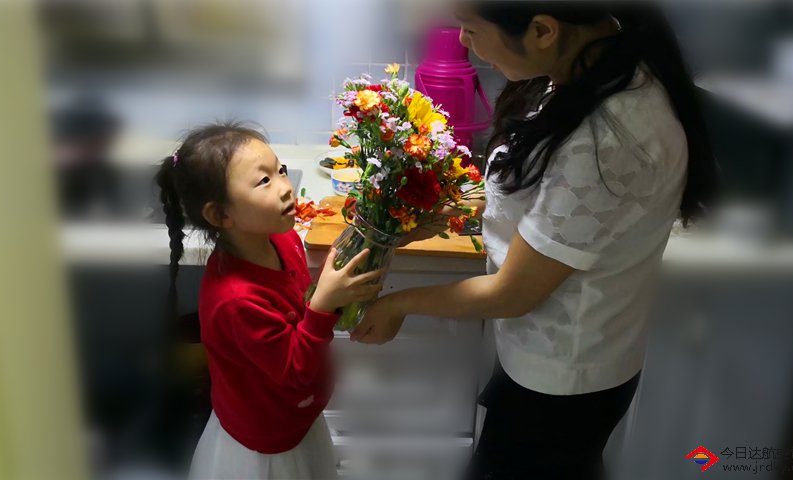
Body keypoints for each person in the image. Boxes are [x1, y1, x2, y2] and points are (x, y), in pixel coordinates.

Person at [352, 2, 718, 479]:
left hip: (563, 382)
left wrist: (397, 304)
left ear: (543, 30)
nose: (463, 42)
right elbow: (550, 196)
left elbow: (514, 293)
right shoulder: (595, 64)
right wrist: (458, 209)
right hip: (559, 359)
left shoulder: (607, 138)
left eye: (471, 29)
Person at [156, 123, 383, 479]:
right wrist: (324, 306)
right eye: (264, 181)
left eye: (280, 170)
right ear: (220, 215)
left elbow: (299, 305)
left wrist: (335, 288)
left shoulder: (283, 240)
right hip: (265, 440)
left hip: (294, 416)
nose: (285, 186)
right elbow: (295, 371)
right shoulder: (235, 299)